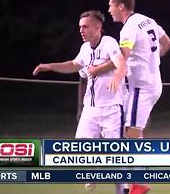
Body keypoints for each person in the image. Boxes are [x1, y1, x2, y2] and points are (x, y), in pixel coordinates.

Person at [32, 10, 127, 194]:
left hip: (111, 108)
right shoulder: (85, 48)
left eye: (85, 26)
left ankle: (121, 190)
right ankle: (92, 171)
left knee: (116, 155)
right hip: (90, 109)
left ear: (98, 27)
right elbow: (73, 65)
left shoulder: (109, 43)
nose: (81, 30)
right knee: (81, 148)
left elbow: (121, 62)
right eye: (80, 27)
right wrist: (49, 66)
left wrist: (116, 78)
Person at [107, 0, 170, 194]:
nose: (109, 10)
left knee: (131, 134)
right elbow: (167, 43)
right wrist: (153, 63)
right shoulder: (148, 20)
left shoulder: (128, 29)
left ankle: (139, 183)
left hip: (140, 88)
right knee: (134, 133)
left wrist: (109, 73)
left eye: (111, 5)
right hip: (153, 83)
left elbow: (123, 56)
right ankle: (137, 181)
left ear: (121, 6)